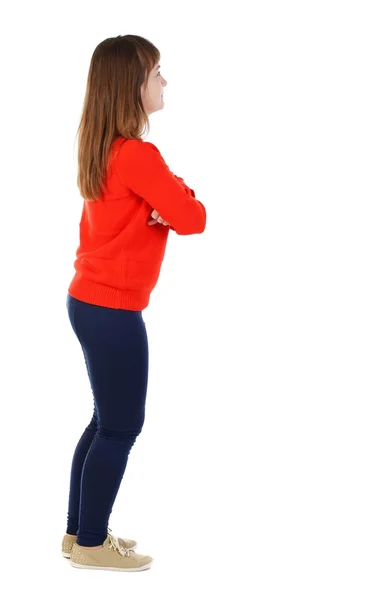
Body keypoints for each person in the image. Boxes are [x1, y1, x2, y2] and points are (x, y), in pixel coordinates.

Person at [61, 34, 207, 572]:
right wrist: (173, 197)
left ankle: (79, 535)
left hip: (88, 302)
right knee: (120, 428)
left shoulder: (105, 148)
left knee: (105, 420)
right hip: (113, 311)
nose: (164, 82)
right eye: (157, 73)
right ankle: (93, 545)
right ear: (132, 85)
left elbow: (177, 209)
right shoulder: (140, 156)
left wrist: (166, 197)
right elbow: (193, 218)